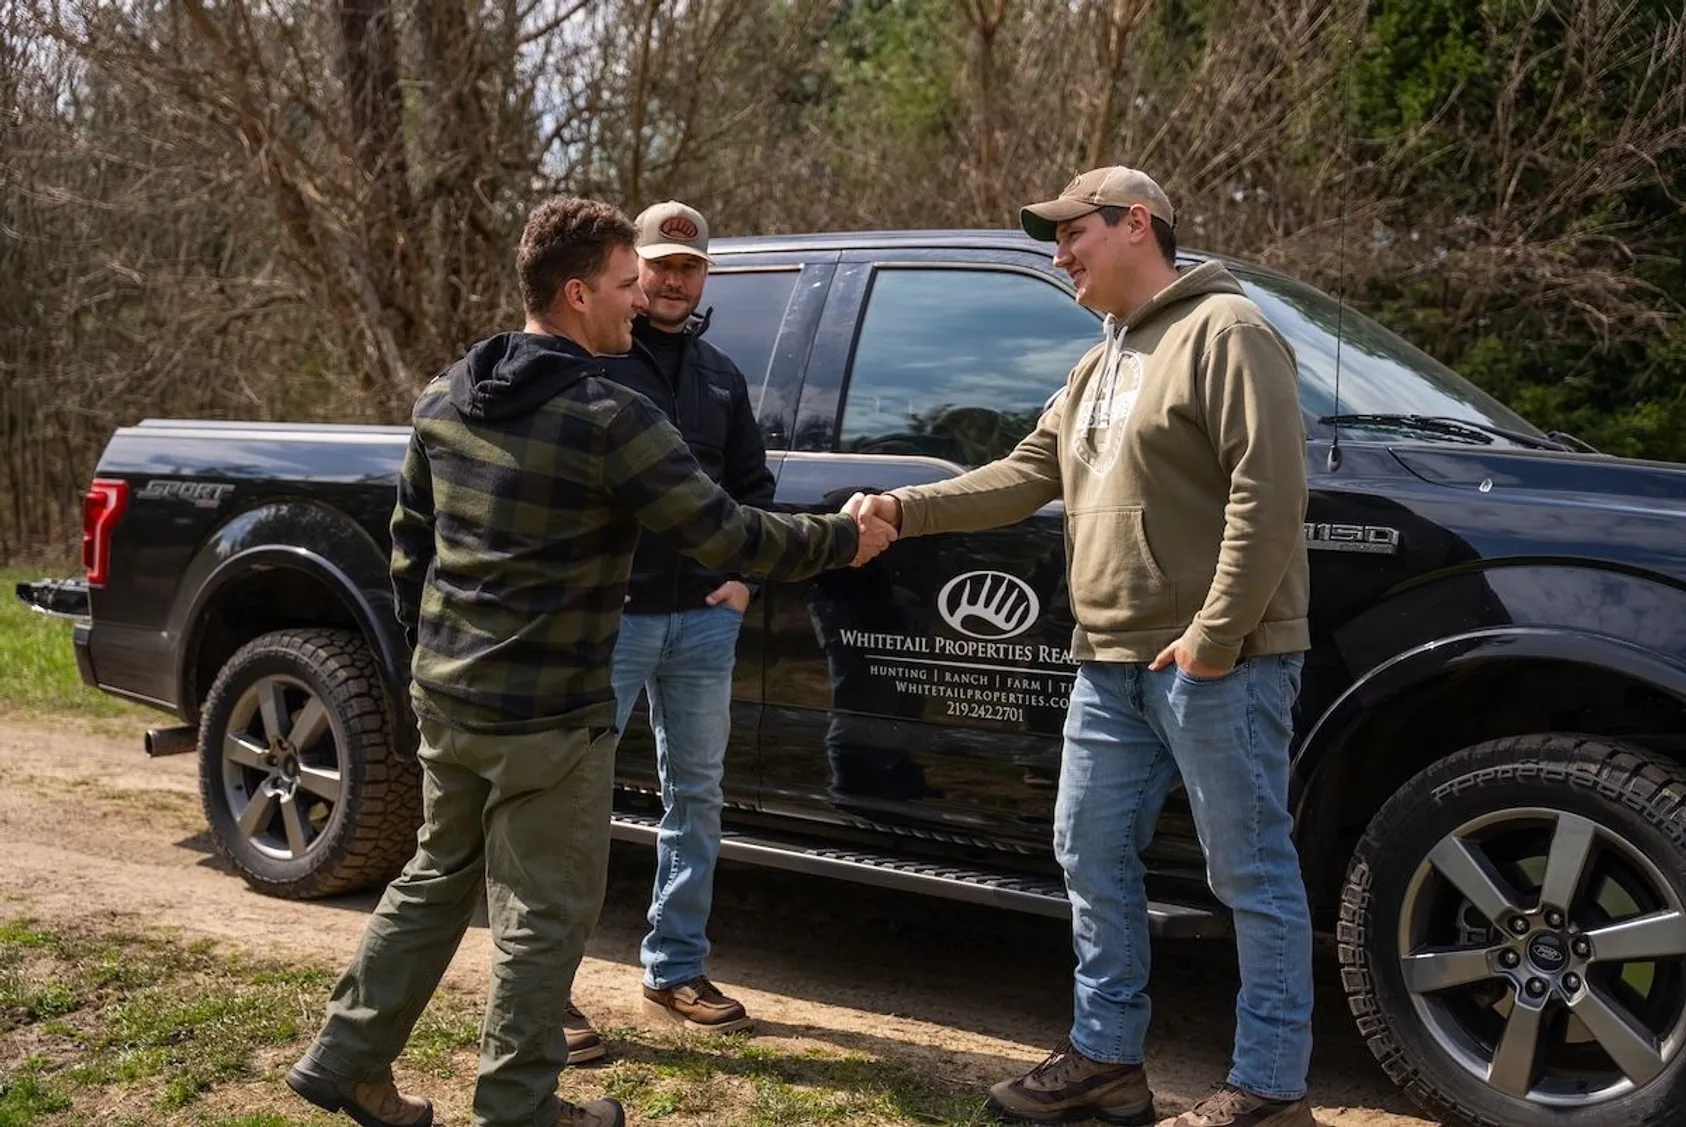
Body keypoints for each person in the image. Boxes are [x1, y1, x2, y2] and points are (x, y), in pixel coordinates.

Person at [284, 195, 896, 1127]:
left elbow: (411, 547)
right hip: (550, 714)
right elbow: (727, 533)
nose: (636, 300)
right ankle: (521, 1105)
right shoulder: (612, 413)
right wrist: (843, 540)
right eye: (621, 285)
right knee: (548, 905)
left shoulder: (449, 392)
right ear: (576, 294)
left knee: (435, 875)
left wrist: (434, 660)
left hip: (451, 698)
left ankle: (345, 1057)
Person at [845, 166, 1315, 1127]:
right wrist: (903, 505)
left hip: (1216, 660)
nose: (1059, 256)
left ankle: (1269, 1089)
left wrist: (1216, 636)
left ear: (1135, 223)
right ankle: (1106, 1063)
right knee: (1088, 849)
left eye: (1072, 236)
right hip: (1108, 658)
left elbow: (1269, 494)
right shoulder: (1100, 361)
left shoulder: (1226, 332)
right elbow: (1024, 475)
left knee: (1251, 873)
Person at [561, 201, 774, 1059]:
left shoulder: (721, 375)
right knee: (573, 801)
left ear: (704, 273)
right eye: (659, 264)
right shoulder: (596, 364)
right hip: (611, 621)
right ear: (632, 270)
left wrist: (744, 577)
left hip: (702, 623)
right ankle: (553, 990)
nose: (674, 278)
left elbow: (751, 488)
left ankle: (674, 966)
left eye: (689, 264)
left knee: (696, 797)